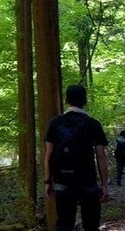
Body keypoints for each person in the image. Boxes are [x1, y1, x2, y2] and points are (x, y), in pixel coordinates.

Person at [44, 84, 110, 231]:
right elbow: (101, 156)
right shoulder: (93, 124)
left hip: (62, 180)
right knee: (91, 224)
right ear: (85, 101)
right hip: (88, 181)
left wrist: (48, 181)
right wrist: (104, 185)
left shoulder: (54, 123)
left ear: (66, 100)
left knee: (64, 223)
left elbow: (49, 154)